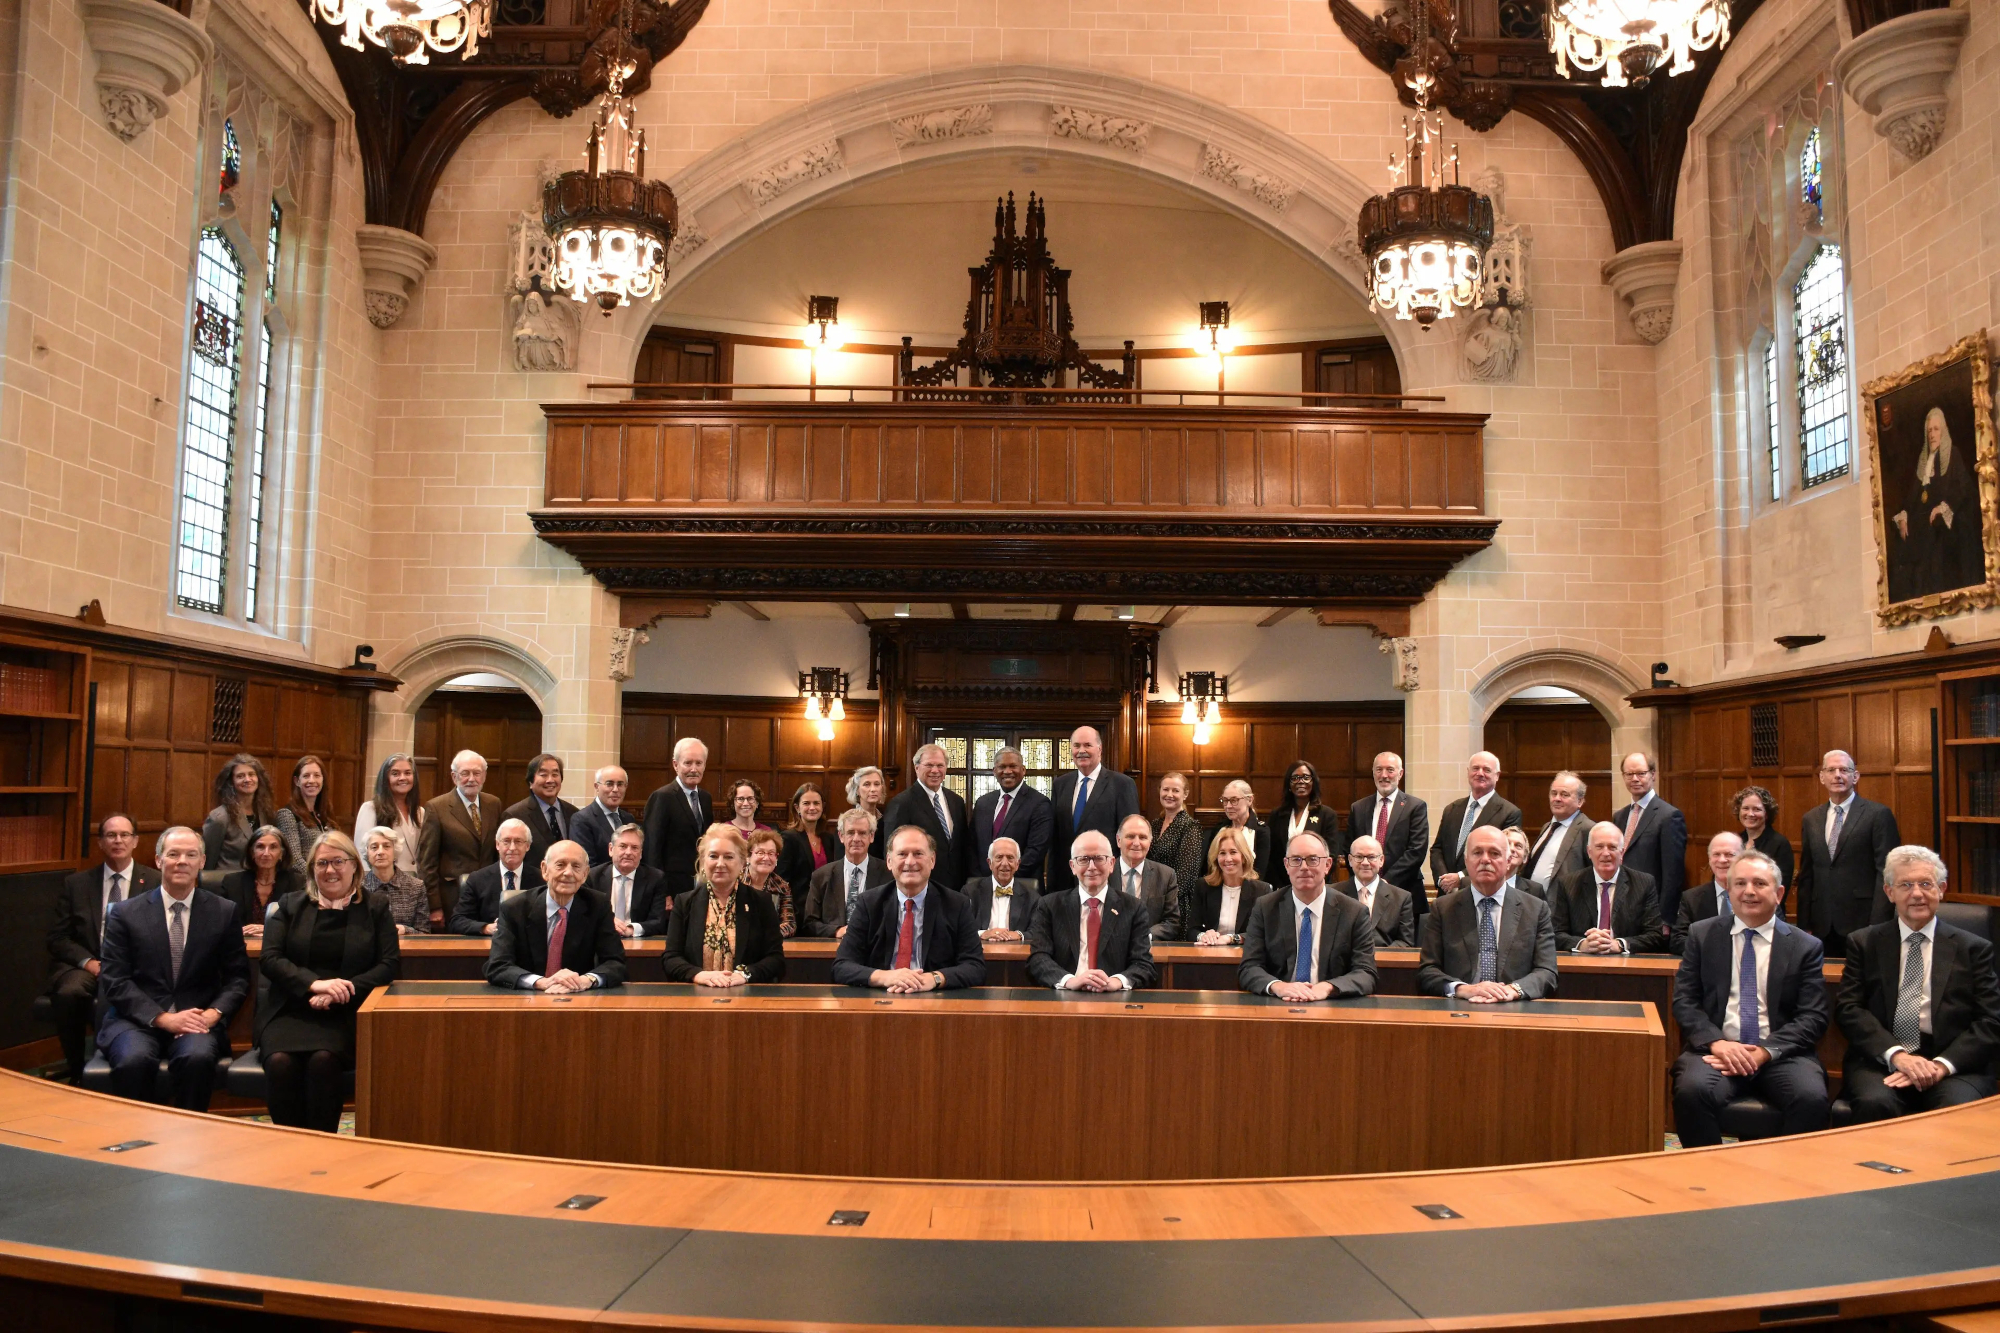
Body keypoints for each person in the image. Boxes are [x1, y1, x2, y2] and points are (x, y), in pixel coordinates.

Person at [1671, 849, 1830, 1147]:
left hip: (1781, 1053)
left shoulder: (1805, 946)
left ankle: (1784, 1182)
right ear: (1728, 891)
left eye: (1759, 883)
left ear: (1779, 893)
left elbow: (1813, 1016)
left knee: (1811, 1098)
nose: (1749, 892)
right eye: (1740, 884)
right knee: (1691, 1091)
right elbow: (1684, 1001)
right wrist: (1718, 1043)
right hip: (1718, 1049)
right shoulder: (1702, 935)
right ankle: (1709, 1178)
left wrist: (1764, 1052)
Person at [1838, 846, 2000, 1120]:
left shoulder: (1974, 948)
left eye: (1926, 884)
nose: (1917, 894)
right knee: (1875, 1104)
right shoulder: (1864, 943)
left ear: (1941, 889)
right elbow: (1849, 1009)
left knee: (1953, 1113)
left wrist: (1941, 1065)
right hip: (1883, 1060)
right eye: (1905, 885)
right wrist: (1897, 1056)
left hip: (1952, 1063)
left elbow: (1991, 1021)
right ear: (1890, 892)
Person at [96, 827, 250, 1110]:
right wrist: (162, 1018)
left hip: (197, 1020)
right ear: (158, 860)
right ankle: (136, 1142)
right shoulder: (125, 913)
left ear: (202, 862)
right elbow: (115, 980)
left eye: (191, 855)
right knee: (134, 1061)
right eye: (174, 854)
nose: (182, 861)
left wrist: (213, 1014)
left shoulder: (224, 911)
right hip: (136, 1021)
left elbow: (237, 977)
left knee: (197, 1059)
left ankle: (190, 1143)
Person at [257, 831, 399, 1132]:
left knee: (323, 1061)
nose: (330, 870)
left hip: (346, 1012)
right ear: (311, 870)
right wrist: (314, 984)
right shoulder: (290, 905)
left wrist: (340, 990)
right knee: (281, 1063)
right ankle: (289, 1145)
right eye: (322, 863)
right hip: (290, 1008)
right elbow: (270, 958)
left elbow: (388, 965)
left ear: (355, 867)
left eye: (338, 861)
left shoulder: (376, 908)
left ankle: (322, 1147)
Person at [45, 814, 160, 1084]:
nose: (118, 840)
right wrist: (88, 962)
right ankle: (77, 1071)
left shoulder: (155, 881)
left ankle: (134, 1066)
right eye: (111, 835)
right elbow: (58, 937)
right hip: (90, 963)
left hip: (136, 965)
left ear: (135, 841)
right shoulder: (77, 884)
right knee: (69, 992)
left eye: (124, 835)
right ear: (100, 843)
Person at [832, 825, 985, 991]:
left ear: (932, 860)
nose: (910, 862)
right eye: (902, 854)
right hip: (881, 996)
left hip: (935, 998)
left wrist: (934, 978)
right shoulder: (868, 903)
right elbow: (841, 966)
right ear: (889, 861)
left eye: (918, 854)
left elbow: (975, 967)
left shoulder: (957, 904)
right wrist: (885, 976)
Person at [1416, 825, 1559, 1002]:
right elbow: (1427, 971)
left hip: (1515, 1009)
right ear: (1467, 862)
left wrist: (1513, 990)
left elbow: (1547, 972)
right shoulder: (1443, 909)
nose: (1485, 860)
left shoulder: (1536, 909)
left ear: (1508, 861)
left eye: (1494, 853)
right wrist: (1462, 989)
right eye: (1477, 853)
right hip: (1459, 1008)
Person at [1239, 832, 1376, 1000]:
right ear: (1286, 865)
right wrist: (1279, 986)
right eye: (1296, 860)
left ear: (1327, 865)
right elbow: (1249, 968)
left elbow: (1366, 973)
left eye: (1312, 859)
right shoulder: (1265, 907)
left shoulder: (1354, 912)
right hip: (1278, 1004)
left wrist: (1328, 987)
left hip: (1332, 1006)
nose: (1304, 867)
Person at [485, 839, 627, 991]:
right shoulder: (514, 908)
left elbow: (616, 963)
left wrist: (586, 980)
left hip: (578, 997)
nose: (568, 873)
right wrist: (541, 982)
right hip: (526, 998)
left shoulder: (598, 905)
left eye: (576, 866)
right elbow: (497, 966)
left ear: (585, 874)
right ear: (545, 869)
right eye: (560, 865)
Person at [1797, 749, 1901, 954]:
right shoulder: (1811, 819)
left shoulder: (1877, 814)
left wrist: (1878, 924)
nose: (1837, 775)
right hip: (1821, 925)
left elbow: (1887, 872)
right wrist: (1804, 923)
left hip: (1862, 922)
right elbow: (1807, 873)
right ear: (1822, 777)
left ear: (1856, 776)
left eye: (1844, 770)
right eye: (1831, 770)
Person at [1027, 830, 1158, 990]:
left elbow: (1144, 964)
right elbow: (1038, 959)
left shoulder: (1134, 908)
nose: (1091, 867)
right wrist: (1069, 981)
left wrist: (1116, 982)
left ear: (1111, 864)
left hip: (1114, 998)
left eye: (1098, 859)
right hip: (1064, 996)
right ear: (1072, 866)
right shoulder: (1050, 905)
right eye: (1083, 859)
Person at [662, 825, 785, 986]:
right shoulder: (684, 903)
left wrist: (745, 975)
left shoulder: (761, 902)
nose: (720, 863)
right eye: (713, 856)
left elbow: (776, 959)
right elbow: (671, 958)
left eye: (728, 857)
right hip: (696, 994)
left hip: (746, 994)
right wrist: (698, 975)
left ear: (742, 862)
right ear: (703, 861)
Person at [1889, 406, 1985, 601]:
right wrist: (1904, 517)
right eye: (1929, 430)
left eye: (1936, 429)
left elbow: (1964, 488)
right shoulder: (1923, 461)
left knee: (1936, 556)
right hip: (1922, 529)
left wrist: (1943, 506)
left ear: (1943, 430)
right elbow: (1912, 498)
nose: (1932, 434)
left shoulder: (1953, 454)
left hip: (1945, 529)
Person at [1550, 820, 1667, 954]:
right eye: (1599, 847)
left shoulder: (1643, 883)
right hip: (1582, 962)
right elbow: (1556, 933)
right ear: (1589, 851)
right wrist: (1582, 944)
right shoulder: (1568, 884)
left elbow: (1655, 935)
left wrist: (1619, 944)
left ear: (1621, 853)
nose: (1606, 853)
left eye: (1612, 847)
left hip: (1627, 965)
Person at [1049, 727, 1140, 893]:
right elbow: (1055, 839)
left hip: (1104, 878)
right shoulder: (1060, 785)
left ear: (1100, 748)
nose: (1081, 751)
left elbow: (1129, 837)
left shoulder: (1122, 784)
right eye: (1076, 746)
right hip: (1065, 880)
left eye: (1087, 745)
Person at [418, 749, 501, 924]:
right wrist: (434, 906)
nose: (472, 779)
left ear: (484, 776)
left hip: (487, 896)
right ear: (454, 777)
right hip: (452, 897)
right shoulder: (437, 808)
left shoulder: (494, 804)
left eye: (477, 773)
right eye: (465, 773)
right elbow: (427, 862)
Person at [1348, 751, 1430, 920]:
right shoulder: (1358, 808)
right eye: (1379, 770)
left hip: (1404, 892)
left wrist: (1383, 883)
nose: (1384, 775)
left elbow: (1416, 851)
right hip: (1362, 895)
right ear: (1373, 773)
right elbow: (1349, 847)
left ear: (1400, 774)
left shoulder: (1415, 807)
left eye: (1390, 770)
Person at [1429, 750, 1521, 896]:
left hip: (1482, 892)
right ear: (1468, 772)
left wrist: (1460, 878)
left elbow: (1504, 856)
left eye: (1487, 770)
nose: (1480, 773)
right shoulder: (1451, 809)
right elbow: (1437, 849)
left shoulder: (1509, 813)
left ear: (1497, 776)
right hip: (1446, 896)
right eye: (1475, 768)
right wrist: (1443, 880)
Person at [1671, 832, 1780, 956]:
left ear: (1742, 858)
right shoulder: (1691, 898)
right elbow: (1677, 940)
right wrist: (1719, 953)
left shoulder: (1762, 894)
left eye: (1729, 854)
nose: (1722, 860)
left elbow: (1778, 935)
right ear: (1709, 859)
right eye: (1716, 854)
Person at [881, 744, 972, 890]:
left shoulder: (956, 801)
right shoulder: (902, 803)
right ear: (917, 768)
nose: (935, 770)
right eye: (929, 765)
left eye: (940, 765)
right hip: (920, 886)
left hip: (956, 888)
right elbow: (891, 849)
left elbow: (961, 845)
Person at [1612, 752, 1687, 918]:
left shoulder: (1669, 816)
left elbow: (1672, 874)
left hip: (1651, 909)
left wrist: (1665, 918)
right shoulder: (1620, 816)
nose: (1635, 779)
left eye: (1641, 773)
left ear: (1653, 774)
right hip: (1621, 904)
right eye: (1629, 774)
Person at [640, 738, 714, 897]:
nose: (694, 769)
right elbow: (652, 849)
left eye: (699, 763)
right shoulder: (662, 797)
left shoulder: (706, 798)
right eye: (688, 763)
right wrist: (661, 892)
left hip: (701, 884)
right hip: (671, 888)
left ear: (705, 765)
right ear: (675, 764)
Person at [970, 747, 1053, 883]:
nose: (1007, 771)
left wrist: (1004, 877)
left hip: (1022, 886)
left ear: (1023, 770)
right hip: (983, 886)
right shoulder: (982, 803)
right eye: (1002, 767)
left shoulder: (1039, 803)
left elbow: (1036, 850)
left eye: (1013, 766)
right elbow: (972, 846)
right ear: (994, 771)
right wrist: (984, 880)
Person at [804, 810, 889, 938]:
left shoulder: (888, 874)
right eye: (850, 833)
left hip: (874, 949)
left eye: (862, 833)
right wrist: (838, 931)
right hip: (832, 949)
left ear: (871, 836)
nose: (856, 838)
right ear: (841, 836)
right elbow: (809, 924)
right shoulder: (821, 876)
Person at [1262, 760, 1345, 891]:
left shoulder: (1326, 815)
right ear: (1289, 784)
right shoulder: (1277, 815)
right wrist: (1281, 885)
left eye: (1306, 777)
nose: (1301, 781)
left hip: (1315, 885)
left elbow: (1331, 855)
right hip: (1283, 887)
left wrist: (1313, 880)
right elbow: (1271, 855)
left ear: (1313, 782)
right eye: (1295, 778)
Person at [502, 753, 578, 891]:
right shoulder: (516, 814)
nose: (550, 780)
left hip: (568, 887)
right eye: (543, 774)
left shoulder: (573, 813)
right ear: (531, 782)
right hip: (532, 890)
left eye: (555, 774)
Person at [450, 818, 536, 936]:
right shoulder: (477, 879)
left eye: (518, 841)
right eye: (506, 841)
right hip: (489, 947)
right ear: (497, 845)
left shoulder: (542, 879)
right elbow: (457, 921)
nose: (512, 848)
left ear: (527, 846)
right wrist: (486, 928)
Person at [1149, 771, 1207, 939]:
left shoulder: (1190, 827)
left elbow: (1186, 877)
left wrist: (1161, 901)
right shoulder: (1155, 824)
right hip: (1150, 901)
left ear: (1185, 794)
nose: (1169, 795)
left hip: (1174, 907)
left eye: (1175, 790)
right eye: (1165, 789)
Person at [587, 824, 669, 939]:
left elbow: (658, 922)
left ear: (640, 853)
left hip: (638, 941)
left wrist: (630, 929)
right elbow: (586, 916)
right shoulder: (593, 877)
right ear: (611, 849)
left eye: (635, 848)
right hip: (600, 939)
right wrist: (608, 922)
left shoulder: (655, 878)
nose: (628, 852)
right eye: (623, 846)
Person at [218, 826, 303, 936]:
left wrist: (269, 929)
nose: (266, 853)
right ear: (252, 853)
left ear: (281, 854)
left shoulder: (296, 883)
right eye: (260, 847)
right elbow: (220, 923)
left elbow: (300, 925)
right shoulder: (232, 883)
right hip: (242, 947)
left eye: (273, 847)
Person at [1193, 825, 1269, 945]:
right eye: (1222, 853)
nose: (1228, 859)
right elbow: (1191, 929)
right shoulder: (1203, 886)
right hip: (1209, 953)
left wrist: (1232, 938)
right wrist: (1203, 936)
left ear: (1243, 856)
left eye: (1233, 852)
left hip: (1246, 957)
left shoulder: (1261, 890)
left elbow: (1264, 932)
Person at [202, 753, 276, 877]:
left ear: (259, 779)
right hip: (226, 886)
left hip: (258, 883)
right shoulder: (219, 818)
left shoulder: (267, 814)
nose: (247, 779)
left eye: (251, 774)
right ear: (232, 782)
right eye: (240, 776)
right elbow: (208, 862)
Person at [354, 753, 425, 879]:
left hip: (415, 883)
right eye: (395, 774)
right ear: (385, 778)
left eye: (408, 773)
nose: (402, 778)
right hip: (383, 882)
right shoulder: (371, 809)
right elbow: (362, 854)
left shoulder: (420, 812)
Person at [1112, 814, 1182, 941]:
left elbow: (1172, 922)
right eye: (1130, 836)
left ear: (1150, 842)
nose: (1136, 843)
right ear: (1118, 840)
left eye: (1143, 837)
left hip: (1149, 952)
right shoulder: (1103, 873)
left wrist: (1144, 936)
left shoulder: (1166, 875)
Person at [1337, 834, 1414, 947]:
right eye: (1359, 857)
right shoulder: (1334, 894)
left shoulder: (1401, 898)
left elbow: (1405, 942)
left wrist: (1377, 958)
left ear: (1381, 860)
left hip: (1384, 962)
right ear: (1350, 860)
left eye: (1371, 857)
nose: (1365, 862)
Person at [1525, 771, 1592, 892]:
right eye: (1553, 793)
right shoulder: (1547, 827)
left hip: (1563, 906)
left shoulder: (1588, 829)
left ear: (1580, 801)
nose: (1557, 799)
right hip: (1534, 903)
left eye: (1564, 795)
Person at [965, 836, 1039, 940]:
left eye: (1010, 858)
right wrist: (983, 934)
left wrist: (1019, 935)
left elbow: (1038, 931)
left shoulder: (1033, 897)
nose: (1004, 864)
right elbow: (961, 930)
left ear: (1017, 864)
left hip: (1017, 954)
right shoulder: (970, 892)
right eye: (999, 857)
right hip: (980, 954)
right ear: (990, 863)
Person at [779, 782, 834, 921]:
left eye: (816, 803)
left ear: (822, 806)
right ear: (797, 807)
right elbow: (783, 880)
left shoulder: (829, 839)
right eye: (806, 803)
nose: (812, 807)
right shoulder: (788, 838)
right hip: (799, 911)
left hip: (825, 911)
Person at [273, 754, 338, 871]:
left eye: (317, 775)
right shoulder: (287, 814)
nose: (312, 780)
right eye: (306, 776)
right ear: (297, 781)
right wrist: (318, 877)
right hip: (304, 883)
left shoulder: (325, 814)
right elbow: (294, 861)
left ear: (323, 779)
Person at [362, 826, 431, 934]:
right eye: (374, 847)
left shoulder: (416, 886)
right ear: (367, 853)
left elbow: (424, 932)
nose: (380, 852)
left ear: (395, 851)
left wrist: (405, 930)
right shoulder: (357, 887)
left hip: (406, 947)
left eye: (386, 846)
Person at [1731, 785, 1793, 896]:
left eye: (1757, 809)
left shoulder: (1779, 844)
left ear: (1767, 814)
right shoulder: (1735, 841)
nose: (1750, 814)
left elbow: (1779, 887)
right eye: (1745, 808)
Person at [570, 765, 634, 868]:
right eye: (609, 784)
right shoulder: (582, 819)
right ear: (597, 787)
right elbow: (586, 863)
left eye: (620, 784)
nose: (615, 789)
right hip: (598, 881)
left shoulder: (628, 818)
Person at [743, 828, 798, 937]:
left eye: (771, 853)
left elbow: (790, 925)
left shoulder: (781, 886)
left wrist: (764, 934)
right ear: (748, 857)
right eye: (760, 852)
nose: (766, 858)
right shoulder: (734, 881)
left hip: (768, 945)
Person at [1206, 780, 1264, 881]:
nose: (1228, 806)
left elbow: (1262, 872)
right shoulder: (1218, 830)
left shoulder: (1261, 832)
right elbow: (1209, 866)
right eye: (1225, 800)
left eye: (1234, 800)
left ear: (1249, 800)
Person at [846, 765, 889, 860]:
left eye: (877, 784)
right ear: (857, 790)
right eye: (867, 784)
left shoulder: (887, 819)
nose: (873, 789)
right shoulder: (848, 821)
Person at [1501, 827, 1545, 899]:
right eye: (1507, 843)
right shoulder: (1482, 882)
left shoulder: (1535, 891)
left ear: (1525, 858)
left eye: (1518, 846)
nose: (1512, 849)